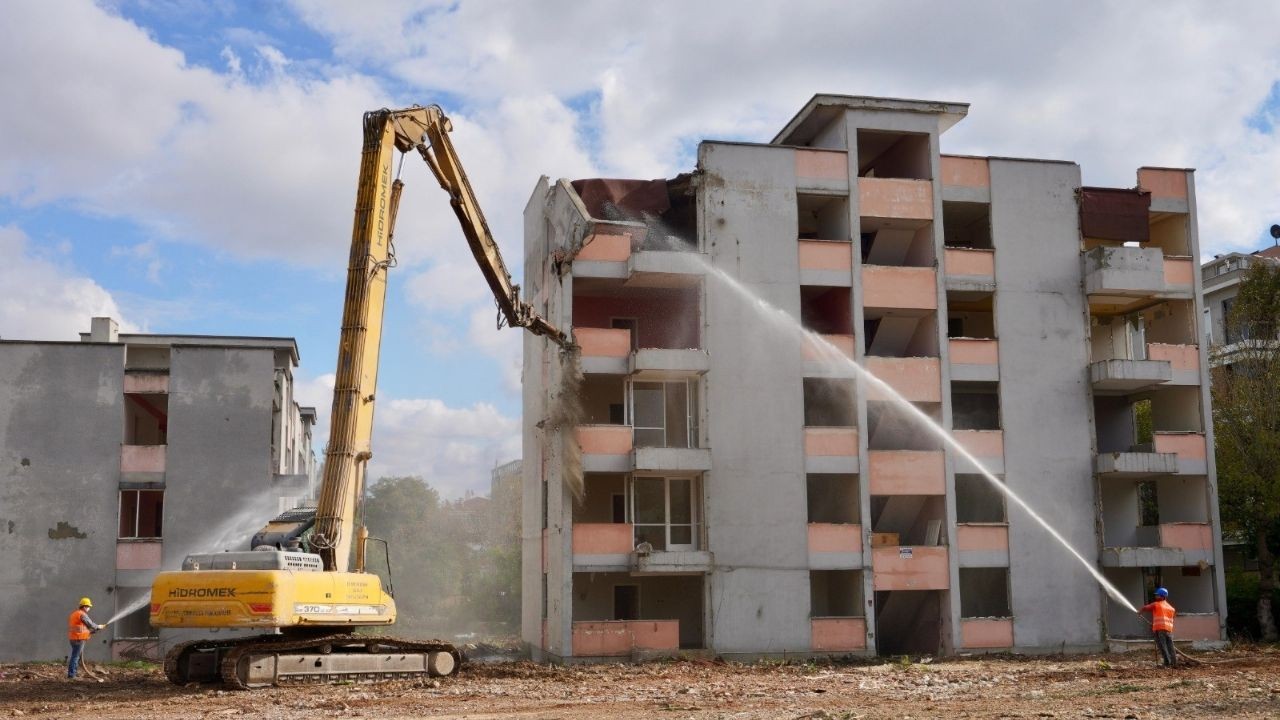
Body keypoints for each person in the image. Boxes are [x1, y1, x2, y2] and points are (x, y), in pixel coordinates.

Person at [67, 597, 105, 679]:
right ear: (84, 606)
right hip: (79, 639)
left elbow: (81, 628)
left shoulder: (75, 614)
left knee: (76, 656)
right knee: (75, 657)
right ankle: (72, 675)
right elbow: (90, 624)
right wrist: (98, 626)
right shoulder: (82, 614)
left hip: (74, 638)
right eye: (88, 606)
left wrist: (92, 631)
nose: (89, 608)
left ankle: (73, 673)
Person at [1139, 587, 1176, 667]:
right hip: (1168, 630)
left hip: (1160, 630)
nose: (1156, 597)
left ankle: (1167, 663)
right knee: (1170, 646)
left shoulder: (1157, 604)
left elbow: (1145, 608)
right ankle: (1174, 663)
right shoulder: (1171, 608)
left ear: (1163, 596)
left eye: (1158, 595)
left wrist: (1140, 612)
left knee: (1162, 646)